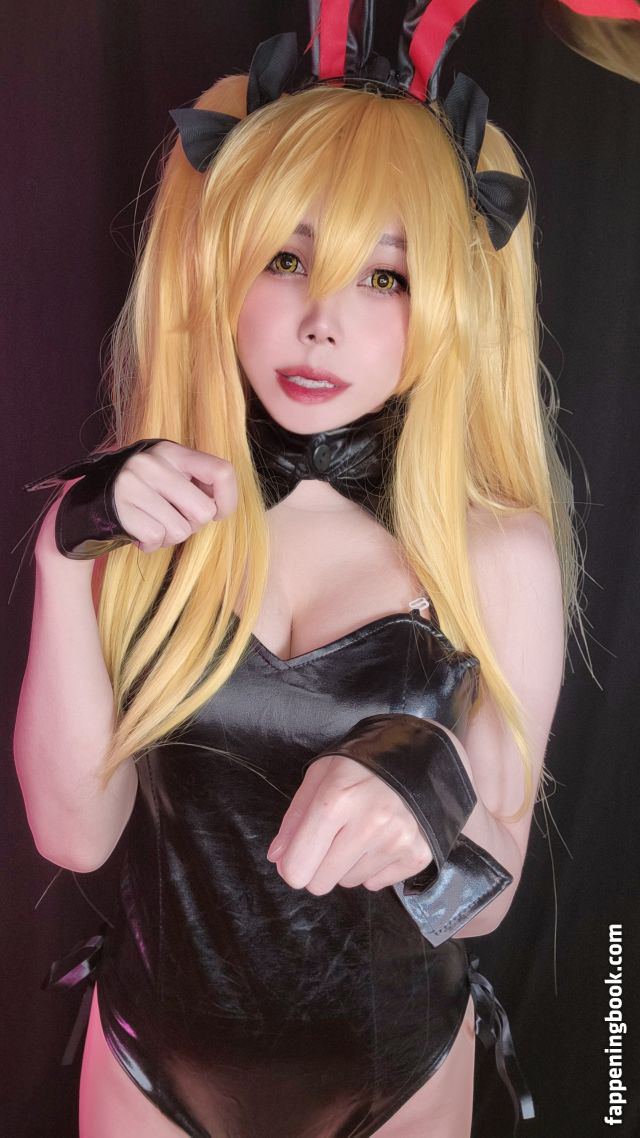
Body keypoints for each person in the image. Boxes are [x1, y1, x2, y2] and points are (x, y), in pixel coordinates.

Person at [15, 4, 580, 1136]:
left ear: (452, 303)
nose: (322, 322)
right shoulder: (147, 516)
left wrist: (426, 785)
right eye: (286, 258)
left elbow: (491, 892)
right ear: (218, 265)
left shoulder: (496, 549)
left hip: (398, 1072)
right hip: (150, 1067)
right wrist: (61, 554)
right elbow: (75, 837)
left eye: (386, 277)